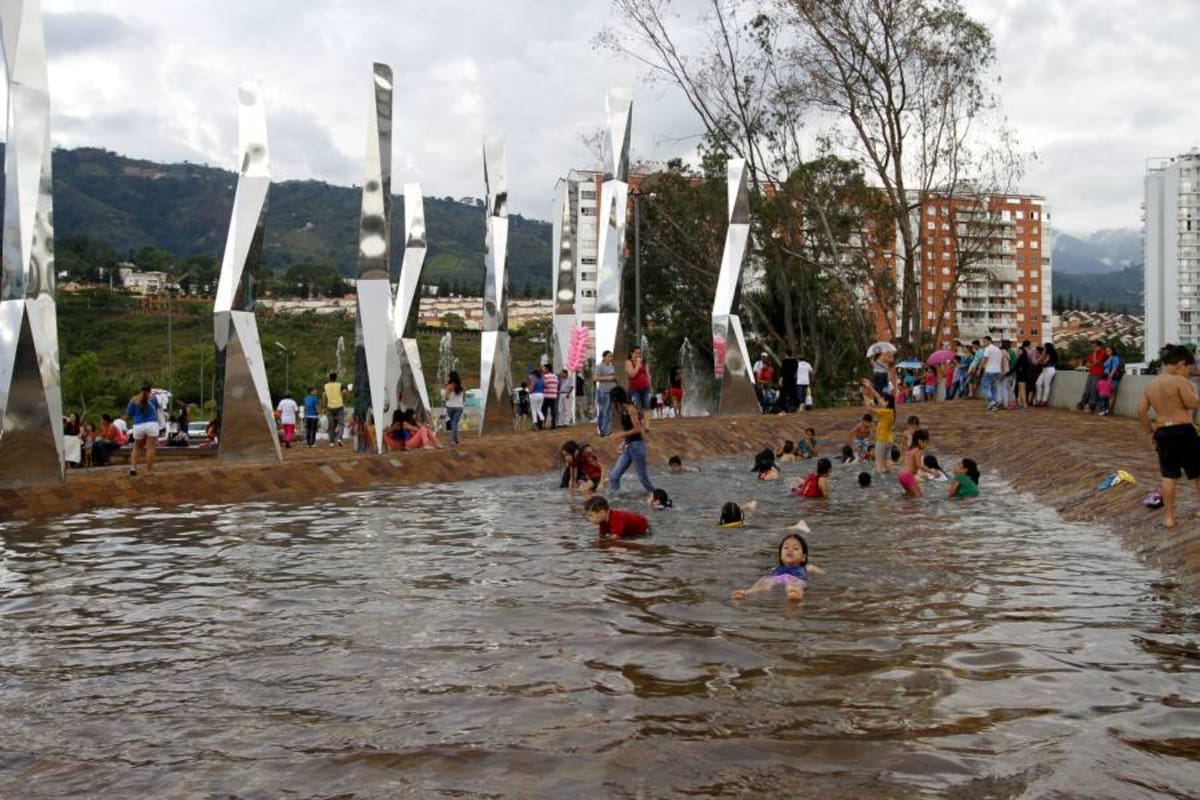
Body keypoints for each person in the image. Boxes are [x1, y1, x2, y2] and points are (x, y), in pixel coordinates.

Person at [1137, 344, 1200, 528]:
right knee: (1198, 472)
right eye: (1189, 368)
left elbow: (1141, 411)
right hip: (1183, 429)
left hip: (1163, 431)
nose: (1189, 372)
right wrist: (1193, 392)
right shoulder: (1180, 381)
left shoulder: (1151, 385)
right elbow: (1192, 404)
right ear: (1181, 364)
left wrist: (1150, 432)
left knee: (1168, 475)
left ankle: (1169, 518)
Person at [731, 534, 825, 602]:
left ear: (804, 557)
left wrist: (819, 573)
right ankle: (747, 592)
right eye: (786, 548)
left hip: (795, 579)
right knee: (764, 581)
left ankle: (796, 593)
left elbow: (821, 573)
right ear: (780, 555)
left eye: (795, 548)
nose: (790, 550)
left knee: (794, 585)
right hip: (775, 578)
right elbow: (768, 576)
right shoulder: (775, 568)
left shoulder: (806, 567)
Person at [607, 386, 655, 496]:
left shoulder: (630, 408)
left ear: (616, 398)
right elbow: (629, 428)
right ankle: (615, 500)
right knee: (614, 476)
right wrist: (623, 443)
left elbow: (637, 429)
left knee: (643, 479)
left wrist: (620, 434)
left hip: (637, 446)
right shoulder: (623, 409)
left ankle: (657, 497)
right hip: (629, 446)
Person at [126, 382, 161, 476]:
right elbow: (158, 408)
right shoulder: (153, 398)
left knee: (137, 447)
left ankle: (133, 467)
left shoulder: (134, 399)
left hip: (138, 424)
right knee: (150, 448)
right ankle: (148, 471)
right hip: (152, 423)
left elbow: (129, 414)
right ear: (150, 389)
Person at [861, 379, 895, 474]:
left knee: (878, 466)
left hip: (882, 440)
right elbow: (879, 397)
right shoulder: (890, 412)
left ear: (887, 403)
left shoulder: (885, 412)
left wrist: (864, 394)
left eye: (883, 400)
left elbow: (869, 409)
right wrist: (870, 388)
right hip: (889, 440)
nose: (880, 401)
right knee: (887, 463)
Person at [584, 495, 650, 539]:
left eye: (591, 515)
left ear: (602, 513)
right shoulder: (603, 520)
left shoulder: (616, 519)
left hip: (644, 530)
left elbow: (614, 541)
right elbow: (602, 537)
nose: (588, 518)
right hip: (629, 532)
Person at [898, 429, 930, 497]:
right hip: (908, 476)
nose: (926, 445)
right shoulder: (918, 450)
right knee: (919, 496)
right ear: (919, 441)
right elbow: (919, 465)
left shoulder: (910, 449)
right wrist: (932, 472)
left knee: (910, 494)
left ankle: (902, 505)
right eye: (926, 442)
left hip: (901, 475)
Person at [1078, 340, 1107, 413]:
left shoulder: (1103, 353)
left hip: (1098, 374)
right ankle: (1082, 403)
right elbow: (1087, 364)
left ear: (1098, 346)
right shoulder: (1092, 353)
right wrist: (1092, 363)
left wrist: (1094, 354)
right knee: (1087, 389)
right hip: (1091, 373)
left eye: (1094, 345)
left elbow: (1095, 361)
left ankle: (1092, 406)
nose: (1093, 347)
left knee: (1094, 390)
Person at [594, 350, 617, 436]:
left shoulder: (612, 366)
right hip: (603, 391)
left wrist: (614, 379)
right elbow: (595, 378)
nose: (610, 358)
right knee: (603, 411)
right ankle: (602, 430)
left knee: (610, 412)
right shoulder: (599, 366)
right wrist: (609, 378)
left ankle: (608, 430)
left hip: (612, 391)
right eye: (609, 356)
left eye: (611, 356)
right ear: (604, 357)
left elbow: (613, 376)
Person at [979, 336, 1004, 411]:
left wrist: (979, 368)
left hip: (989, 370)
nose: (984, 343)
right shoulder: (998, 349)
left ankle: (991, 401)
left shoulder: (988, 349)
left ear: (989, 341)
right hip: (997, 371)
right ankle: (994, 406)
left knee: (985, 386)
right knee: (993, 388)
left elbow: (985, 359)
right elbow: (1001, 360)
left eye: (985, 341)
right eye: (983, 341)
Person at [625, 347, 652, 411]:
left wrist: (649, 384)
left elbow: (647, 375)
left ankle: (647, 421)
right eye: (636, 353)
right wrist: (637, 365)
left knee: (647, 406)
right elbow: (632, 375)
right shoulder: (628, 362)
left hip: (645, 388)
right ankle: (639, 420)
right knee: (637, 407)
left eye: (639, 353)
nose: (638, 355)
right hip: (635, 389)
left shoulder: (644, 362)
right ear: (631, 353)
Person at [323, 372, 345, 447]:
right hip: (339, 405)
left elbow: (324, 396)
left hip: (330, 406)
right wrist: (343, 398)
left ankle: (331, 442)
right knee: (341, 423)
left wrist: (324, 407)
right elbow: (344, 393)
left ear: (329, 378)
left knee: (331, 424)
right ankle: (340, 438)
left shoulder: (325, 386)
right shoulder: (340, 385)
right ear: (336, 378)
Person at [443, 370, 465, 445]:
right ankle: (456, 439)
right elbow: (463, 397)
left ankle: (453, 440)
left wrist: (447, 396)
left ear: (451, 377)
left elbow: (446, 397)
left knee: (453, 422)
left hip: (450, 407)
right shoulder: (461, 386)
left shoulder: (449, 386)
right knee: (454, 423)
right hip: (459, 407)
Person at [1101, 345, 1124, 415]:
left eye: (1108, 350)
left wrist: (1109, 378)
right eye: (1106, 350)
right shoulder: (1108, 358)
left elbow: (1114, 368)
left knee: (1111, 394)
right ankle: (1106, 409)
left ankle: (1108, 410)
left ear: (1112, 351)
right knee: (1106, 394)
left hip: (1112, 378)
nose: (1107, 352)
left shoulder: (1115, 358)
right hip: (1105, 378)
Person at [542, 365, 560, 430]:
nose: (543, 370)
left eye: (544, 369)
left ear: (547, 369)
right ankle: (553, 424)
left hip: (546, 395)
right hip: (553, 395)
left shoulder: (545, 376)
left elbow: (544, 385)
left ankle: (543, 424)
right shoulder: (555, 376)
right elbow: (558, 385)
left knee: (544, 410)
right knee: (553, 410)